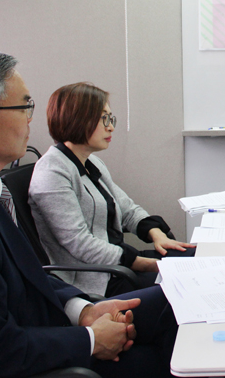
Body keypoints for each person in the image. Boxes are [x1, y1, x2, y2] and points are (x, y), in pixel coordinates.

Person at [0, 48, 178, 378]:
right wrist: (91, 340)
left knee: (179, 301)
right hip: (35, 355)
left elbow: (27, 274)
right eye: (24, 107)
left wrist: (84, 310)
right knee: (169, 352)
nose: (30, 119)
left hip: (49, 323)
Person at [29, 82, 195, 297]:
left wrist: (157, 234)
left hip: (118, 267)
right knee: (188, 283)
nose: (111, 127)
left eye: (111, 118)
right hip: (97, 280)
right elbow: (80, 244)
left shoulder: (92, 162)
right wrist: (149, 264)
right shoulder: (52, 172)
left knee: (200, 258)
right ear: (77, 119)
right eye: (103, 119)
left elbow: (127, 209)